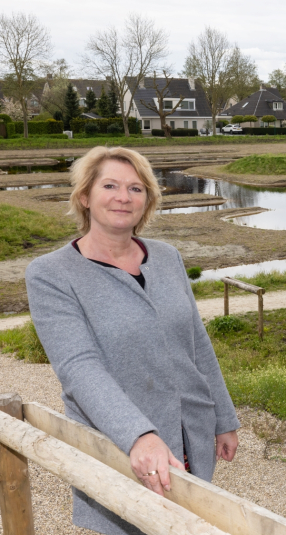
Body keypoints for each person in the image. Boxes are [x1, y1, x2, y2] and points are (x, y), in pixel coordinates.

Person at [26, 146, 241, 535]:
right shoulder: (51, 275)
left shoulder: (167, 257)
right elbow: (79, 367)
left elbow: (197, 342)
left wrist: (223, 418)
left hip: (188, 437)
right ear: (85, 196)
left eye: (136, 188)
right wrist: (138, 435)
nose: (123, 197)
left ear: (148, 201)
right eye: (110, 185)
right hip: (119, 443)